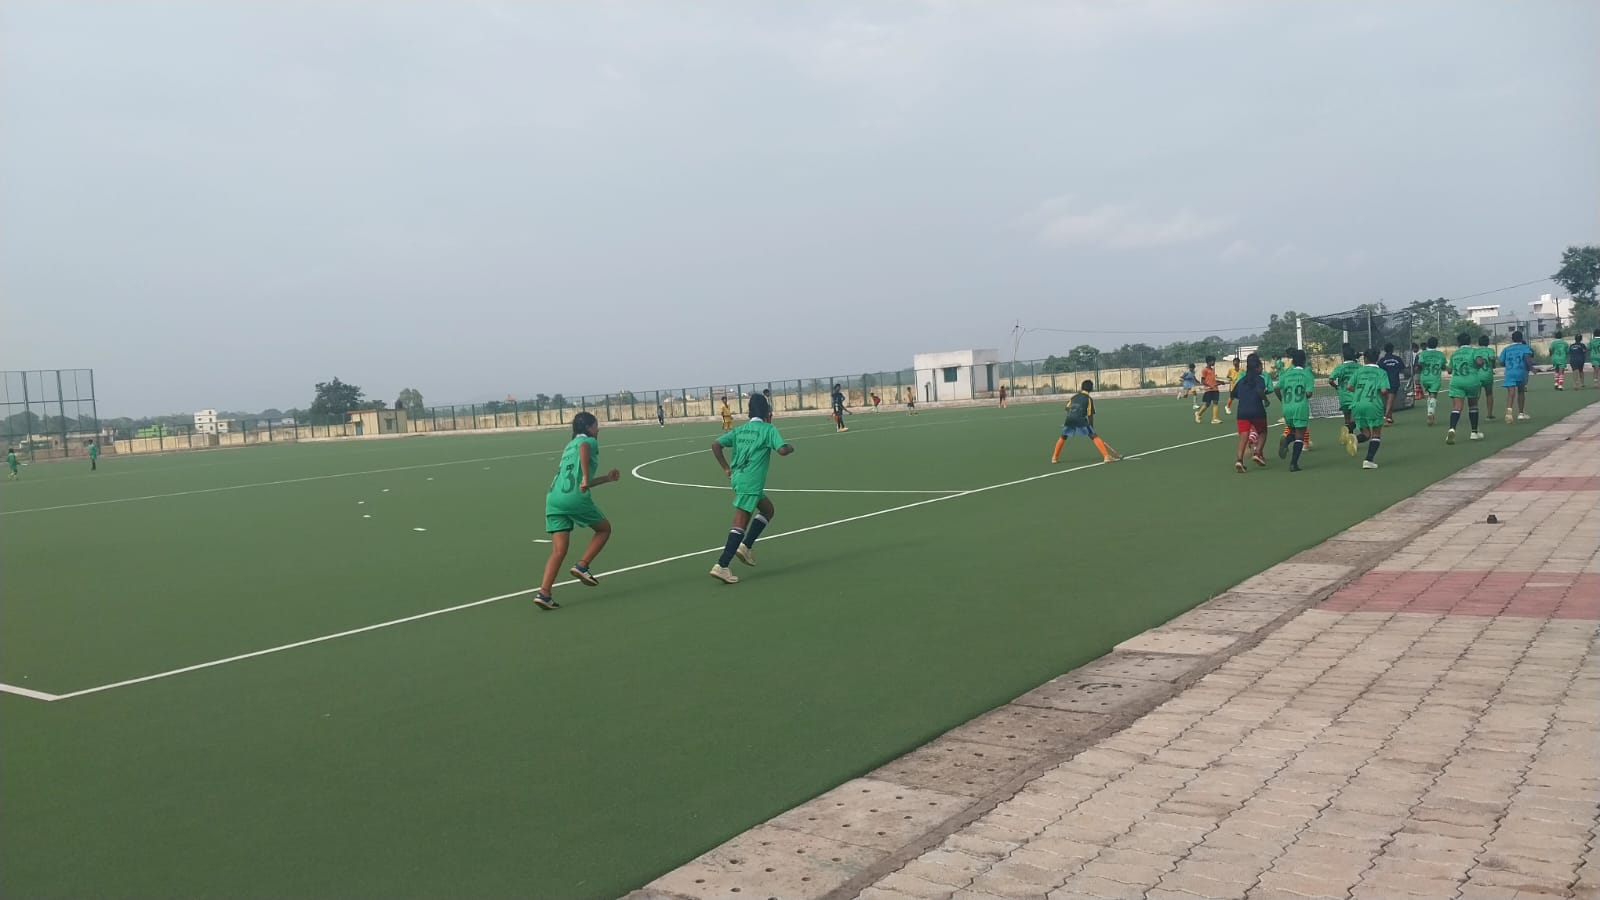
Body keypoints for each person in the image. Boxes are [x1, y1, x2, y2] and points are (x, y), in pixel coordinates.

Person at [533, 412, 620, 611]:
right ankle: (582, 565)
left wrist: (606, 478)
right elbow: (584, 450)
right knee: (604, 529)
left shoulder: (568, 446)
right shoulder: (587, 442)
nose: (599, 429)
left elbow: (581, 481)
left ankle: (544, 593)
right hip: (573, 499)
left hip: (553, 498)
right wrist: (586, 477)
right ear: (589, 428)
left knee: (558, 550)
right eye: (596, 425)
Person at [709, 391, 794, 584]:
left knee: (768, 509)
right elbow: (782, 450)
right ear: (767, 411)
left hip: (738, 478)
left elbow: (716, 445)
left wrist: (726, 469)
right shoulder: (768, 429)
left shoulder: (741, 430)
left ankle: (745, 547)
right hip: (751, 482)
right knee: (741, 521)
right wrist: (789, 447)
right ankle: (722, 565)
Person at [1051, 380, 1121, 464]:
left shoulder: (1074, 397)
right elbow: (1090, 415)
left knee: (1063, 436)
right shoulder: (1088, 399)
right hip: (1080, 418)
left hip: (1069, 417)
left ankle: (1054, 458)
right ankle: (1106, 456)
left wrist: (1073, 413)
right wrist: (1092, 428)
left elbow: (1067, 407)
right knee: (1093, 436)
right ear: (1091, 388)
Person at [1350, 348, 1391, 469]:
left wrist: (1359, 392)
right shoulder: (1381, 372)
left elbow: (1349, 386)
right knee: (1376, 433)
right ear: (1377, 359)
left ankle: (1355, 439)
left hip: (1357, 404)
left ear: (1365, 359)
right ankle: (1369, 460)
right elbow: (1384, 390)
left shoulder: (1359, 371)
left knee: (1366, 433)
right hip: (1373, 404)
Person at [1276, 349, 1315, 472]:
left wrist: (1282, 400)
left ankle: (1287, 440)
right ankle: (1293, 463)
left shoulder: (1286, 373)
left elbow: (1277, 388)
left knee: (1292, 431)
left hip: (1287, 407)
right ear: (1304, 361)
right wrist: (1305, 394)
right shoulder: (1307, 374)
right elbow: (1308, 393)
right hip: (1300, 407)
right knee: (1300, 436)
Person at [1231, 354, 1270, 472]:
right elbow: (1259, 391)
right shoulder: (1260, 380)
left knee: (1244, 436)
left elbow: (1233, 394)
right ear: (1257, 368)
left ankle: (1239, 461)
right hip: (1257, 410)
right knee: (1263, 432)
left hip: (1242, 412)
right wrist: (1265, 400)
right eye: (1261, 367)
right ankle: (1257, 453)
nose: (1262, 369)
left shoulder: (1242, 381)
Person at [1446, 332, 1487, 444]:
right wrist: (1479, 364)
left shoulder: (1455, 354)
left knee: (1457, 407)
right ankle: (1474, 432)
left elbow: (1449, 370)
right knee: (1473, 405)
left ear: (1458, 342)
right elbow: (1479, 362)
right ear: (1470, 341)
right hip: (1471, 381)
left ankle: (1452, 428)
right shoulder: (1474, 351)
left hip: (1457, 381)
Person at [1328, 345, 1362, 456]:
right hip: (1355, 394)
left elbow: (1331, 379)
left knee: (1347, 417)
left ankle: (1348, 437)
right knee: (1355, 419)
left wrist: (1336, 386)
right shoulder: (1359, 367)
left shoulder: (1340, 368)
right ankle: (1349, 433)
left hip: (1343, 394)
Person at [1499, 330, 1534, 422]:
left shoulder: (1506, 349)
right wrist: (1531, 368)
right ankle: (1521, 413)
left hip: (1510, 372)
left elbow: (1501, 361)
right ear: (1521, 338)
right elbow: (1527, 357)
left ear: (1512, 339)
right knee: (1521, 391)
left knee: (1511, 393)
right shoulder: (1524, 347)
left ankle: (1509, 413)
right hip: (1520, 371)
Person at [1416, 337, 1447, 425]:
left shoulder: (1423, 354)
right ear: (1436, 344)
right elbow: (1443, 366)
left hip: (1425, 377)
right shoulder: (1440, 354)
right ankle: (1430, 413)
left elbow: (1420, 364)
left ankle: (1430, 412)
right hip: (1435, 377)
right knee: (1433, 395)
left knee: (1430, 395)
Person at [1378, 343, 1404, 424]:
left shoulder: (1381, 361)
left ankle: (1390, 417)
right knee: (1390, 400)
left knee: (1388, 400)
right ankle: (1386, 417)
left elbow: (1379, 371)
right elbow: (1402, 368)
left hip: (1384, 383)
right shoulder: (1397, 359)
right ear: (1392, 349)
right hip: (1394, 382)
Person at [1476, 335, 1498, 418]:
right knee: (1489, 394)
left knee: (1476, 395)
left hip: (1477, 375)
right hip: (1488, 374)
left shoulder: (1476, 351)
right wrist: (1493, 364)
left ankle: (1474, 412)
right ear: (1488, 342)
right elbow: (1492, 358)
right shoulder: (1490, 350)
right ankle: (1489, 414)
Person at [1196, 356, 1222, 424]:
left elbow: (1214, 380)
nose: (1214, 362)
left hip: (1215, 389)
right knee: (1207, 404)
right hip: (1209, 390)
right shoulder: (1204, 370)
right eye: (1213, 361)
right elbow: (1203, 381)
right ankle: (1198, 414)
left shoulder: (1213, 370)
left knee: (1215, 402)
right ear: (1209, 362)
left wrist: (1220, 383)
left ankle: (1214, 419)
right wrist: (1209, 385)